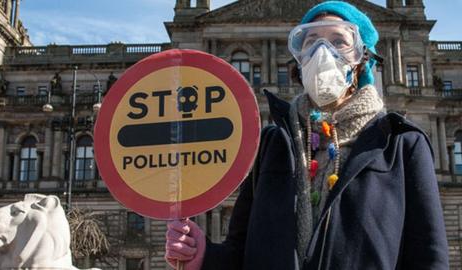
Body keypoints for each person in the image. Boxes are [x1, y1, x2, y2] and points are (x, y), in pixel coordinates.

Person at [164, 1, 449, 269]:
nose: (323, 52)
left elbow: (428, 257)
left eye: (338, 41)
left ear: (362, 58)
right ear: (299, 61)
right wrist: (204, 257)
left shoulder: (401, 142)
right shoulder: (272, 144)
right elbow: (240, 252)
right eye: (310, 42)